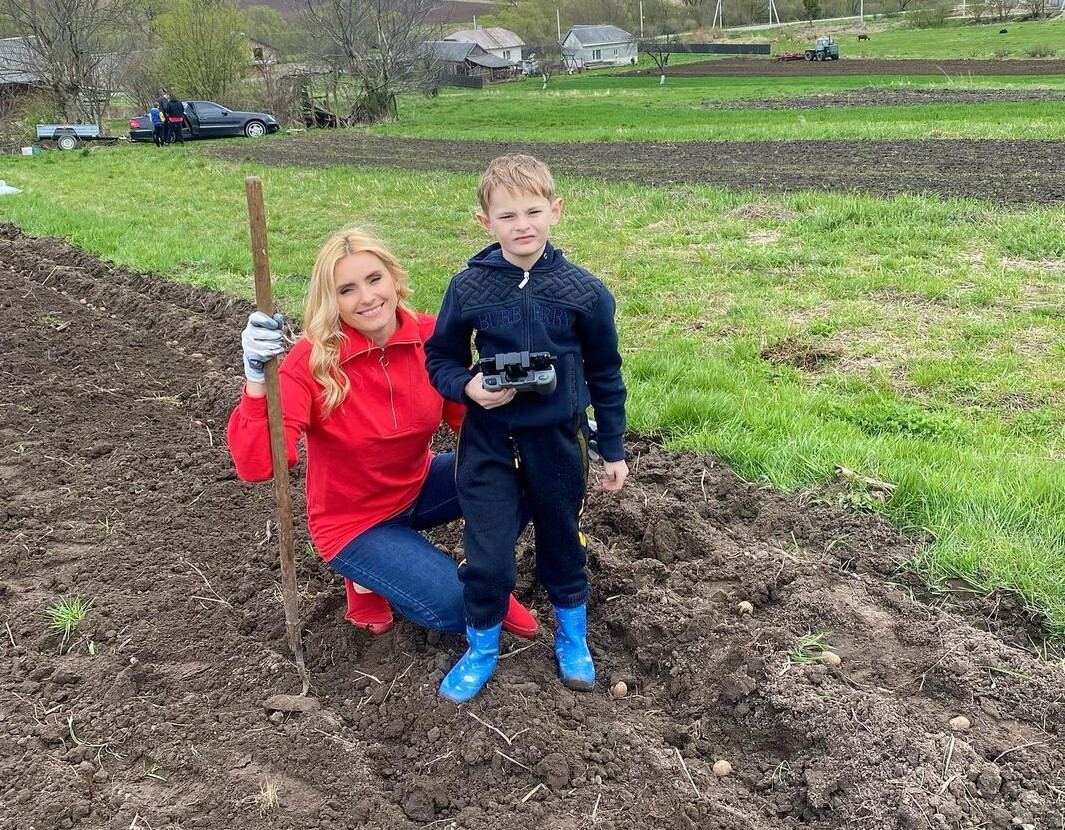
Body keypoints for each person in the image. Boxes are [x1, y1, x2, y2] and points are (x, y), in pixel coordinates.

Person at [227, 228, 539, 640]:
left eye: (375, 279)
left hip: (418, 484)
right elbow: (260, 465)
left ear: (394, 278)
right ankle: (367, 577)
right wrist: (256, 383)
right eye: (347, 289)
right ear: (331, 300)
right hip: (353, 521)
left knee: (532, 472)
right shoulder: (311, 362)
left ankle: (486, 577)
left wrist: (545, 423)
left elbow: (466, 418)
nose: (368, 298)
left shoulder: (430, 337)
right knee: (453, 609)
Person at [425, 154, 628, 703]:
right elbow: (439, 358)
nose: (523, 225)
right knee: (488, 556)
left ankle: (573, 639)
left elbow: (606, 373)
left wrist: (612, 447)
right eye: (508, 215)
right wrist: (467, 387)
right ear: (485, 221)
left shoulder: (583, 291)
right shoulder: (468, 288)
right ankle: (482, 648)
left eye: (534, 211)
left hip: (558, 442)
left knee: (563, 542)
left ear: (556, 211)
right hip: (488, 442)